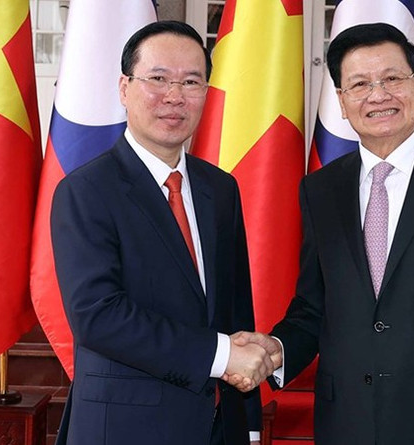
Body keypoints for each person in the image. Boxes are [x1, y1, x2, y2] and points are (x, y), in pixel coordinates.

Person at [230, 22, 414, 445]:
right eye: (359, 84)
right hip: (346, 424)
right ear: (341, 100)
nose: (378, 95)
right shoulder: (320, 188)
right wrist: (277, 350)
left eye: (392, 79)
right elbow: (315, 307)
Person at [50, 21, 274, 445]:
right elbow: (99, 317)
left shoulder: (220, 188)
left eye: (191, 82)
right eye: (158, 79)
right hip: (123, 429)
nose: (174, 96)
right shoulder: (84, 191)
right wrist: (222, 354)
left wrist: (247, 421)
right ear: (124, 88)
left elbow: (234, 309)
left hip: (214, 426)